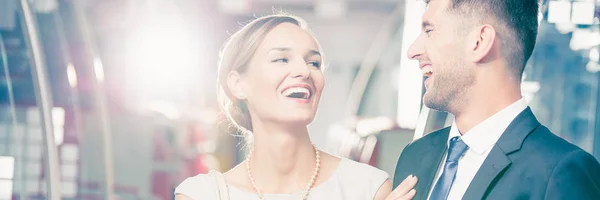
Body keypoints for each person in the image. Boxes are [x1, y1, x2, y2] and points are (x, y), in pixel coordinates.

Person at [174, 14, 417, 200]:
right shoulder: (202, 194)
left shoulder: (368, 187)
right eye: (281, 59)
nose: (304, 71)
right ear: (238, 84)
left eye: (314, 62)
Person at [392, 0, 600, 199]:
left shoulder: (559, 172)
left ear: (479, 42)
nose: (413, 52)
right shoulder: (414, 156)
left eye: (429, 31)